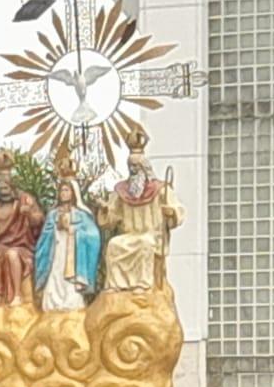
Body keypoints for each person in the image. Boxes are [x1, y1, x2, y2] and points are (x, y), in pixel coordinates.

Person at [95, 130, 184, 293]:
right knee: (114, 244)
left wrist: (171, 213)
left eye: (136, 166)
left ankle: (143, 284)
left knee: (145, 243)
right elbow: (112, 218)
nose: (133, 170)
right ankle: (116, 284)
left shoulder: (160, 189)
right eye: (130, 166)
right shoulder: (122, 191)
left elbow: (177, 210)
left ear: (144, 167)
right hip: (130, 234)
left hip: (151, 235)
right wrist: (105, 209)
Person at [0, 148, 45, 306]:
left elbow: (39, 221)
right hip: (2, 244)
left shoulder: (25, 200)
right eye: (0, 188)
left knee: (12, 255)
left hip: (23, 246)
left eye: (6, 187)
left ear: (12, 185)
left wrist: (29, 213)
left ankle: (16, 295)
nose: (3, 191)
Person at [35, 171, 102, 312]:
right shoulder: (53, 214)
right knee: (55, 274)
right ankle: (53, 304)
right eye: (62, 190)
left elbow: (93, 236)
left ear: (73, 193)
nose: (64, 193)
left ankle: (71, 304)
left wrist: (73, 230)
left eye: (67, 190)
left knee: (70, 282)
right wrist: (55, 229)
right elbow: (44, 237)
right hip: (56, 252)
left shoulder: (81, 214)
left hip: (73, 254)